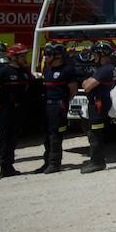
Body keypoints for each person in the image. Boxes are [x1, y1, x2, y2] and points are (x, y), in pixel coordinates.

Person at [0, 43, 31, 181]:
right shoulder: (2, 72)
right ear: (13, 57)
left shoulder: (24, 72)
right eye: (22, 56)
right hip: (2, 111)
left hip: (16, 111)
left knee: (11, 140)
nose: (25, 58)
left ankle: (7, 167)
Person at [36, 43, 80, 174]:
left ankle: (54, 163)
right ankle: (46, 162)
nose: (46, 57)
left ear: (58, 56)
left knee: (55, 136)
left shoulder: (67, 70)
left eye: (48, 55)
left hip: (58, 106)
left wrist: (63, 101)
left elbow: (73, 90)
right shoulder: (47, 70)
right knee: (46, 135)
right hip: (47, 105)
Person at [79, 41, 116, 173]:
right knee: (94, 133)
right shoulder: (107, 68)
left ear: (102, 54)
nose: (94, 57)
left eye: (95, 54)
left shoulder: (104, 69)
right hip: (99, 103)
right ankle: (96, 161)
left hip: (98, 104)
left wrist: (87, 81)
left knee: (95, 134)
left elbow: (86, 86)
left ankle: (97, 162)